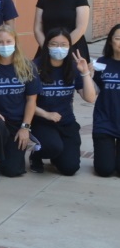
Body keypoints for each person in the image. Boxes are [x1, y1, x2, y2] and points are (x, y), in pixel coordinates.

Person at [0, 25, 41, 182]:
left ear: (15, 42)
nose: (4, 46)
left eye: (8, 41)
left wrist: (25, 127)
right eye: (0, 42)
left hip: (17, 123)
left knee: (12, 170)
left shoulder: (28, 66)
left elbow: (31, 100)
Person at [31, 28, 94, 176]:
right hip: (41, 121)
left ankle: (56, 153)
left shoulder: (73, 67)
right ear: (46, 45)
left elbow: (90, 98)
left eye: (63, 44)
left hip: (66, 122)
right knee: (53, 146)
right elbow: (25, 101)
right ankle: (36, 155)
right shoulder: (34, 66)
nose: (59, 48)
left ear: (69, 46)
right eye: (54, 44)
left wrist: (85, 73)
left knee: (70, 168)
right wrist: (46, 114)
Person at [91, 24, 120, 177]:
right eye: (118, 38)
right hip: (105, 122)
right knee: (104, 170)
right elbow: (93, 92)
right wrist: (87, 75)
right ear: (110, 41)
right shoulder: (102, 64)